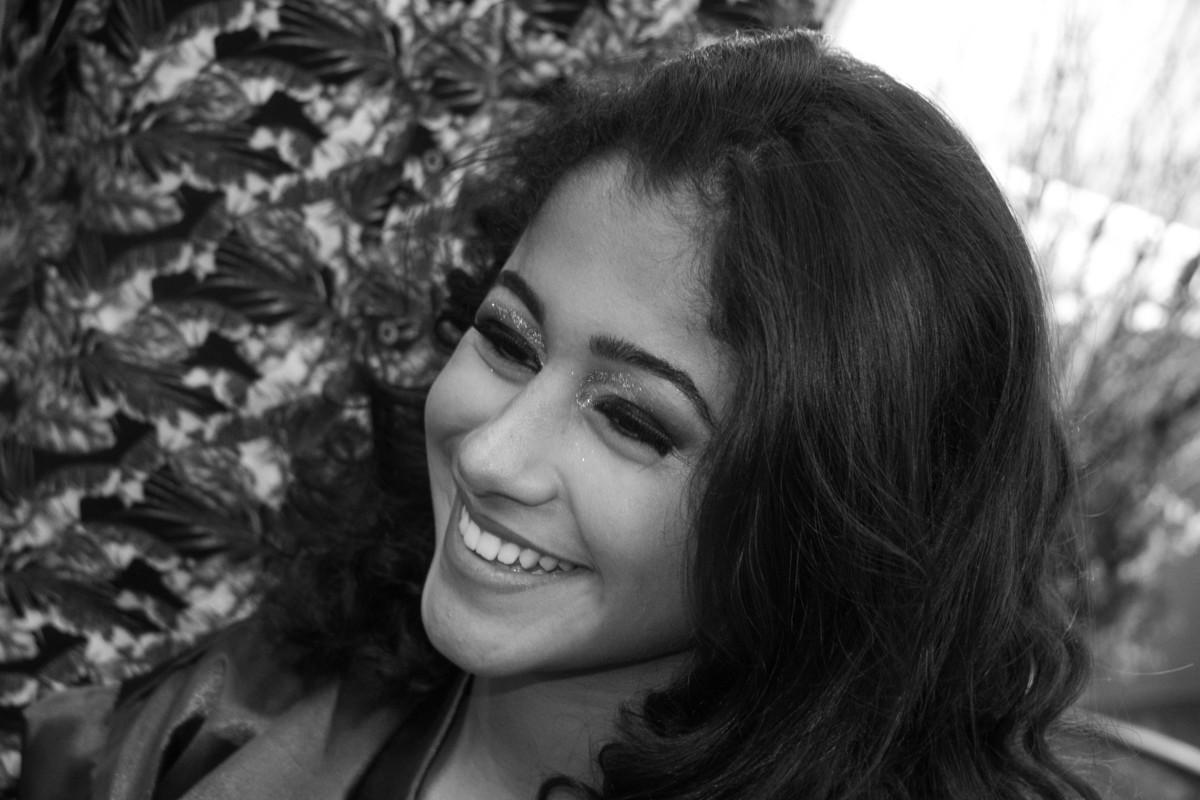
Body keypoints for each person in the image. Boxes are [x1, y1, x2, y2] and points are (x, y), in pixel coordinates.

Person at [20, 29, 1099, 800]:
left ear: (828, 524)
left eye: (633, 419)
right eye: (507, 339)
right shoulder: (232, 722)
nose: (494, 453)